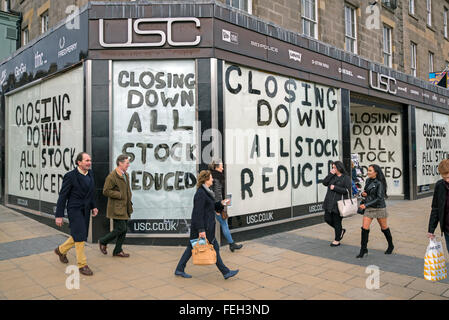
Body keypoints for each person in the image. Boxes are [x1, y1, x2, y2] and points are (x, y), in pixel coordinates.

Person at [174, 170, 239, 279]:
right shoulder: (200, 193)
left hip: (205, 227)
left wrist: (221, 203)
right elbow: (197, 213)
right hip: (204, 228)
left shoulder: (206, 192)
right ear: (205, 179)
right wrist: (201, 230)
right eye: (211, 178)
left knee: (192, 247)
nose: (212, 179)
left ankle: (179, 269)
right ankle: (225, 272)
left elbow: (211, 206)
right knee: (214, 248)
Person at [54, 152, 98, 276]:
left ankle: (60, 250)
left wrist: (93, 206)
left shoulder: (90, 173)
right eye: (86, 160)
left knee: (79, 234)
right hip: (74, 209)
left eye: (90, 160)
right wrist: (59, 215)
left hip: (86, 209)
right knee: (80, 237)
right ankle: (82, 264)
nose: (89, 162)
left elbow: (91, 193)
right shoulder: (70, 176)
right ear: (79, 162)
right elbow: (62, 196)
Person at [98, 154, 133, 258]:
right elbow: (106, 191)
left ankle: (118, 250)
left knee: (124, 229)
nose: (128, 165)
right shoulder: (112, 176)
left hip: (125, 206)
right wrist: (120, 195)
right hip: (117, 208)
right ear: (120, 163)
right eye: (127, 163)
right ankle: (103, 241)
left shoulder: (125, 174)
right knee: (121, 228)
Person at [356, 164, 394, 258]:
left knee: (384, 227)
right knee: (364, 228)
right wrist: (364, 194)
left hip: (379, 207)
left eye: (370, 171)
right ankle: (363, 249)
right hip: (369, 207)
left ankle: (391, 245)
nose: (368, 172)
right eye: (368, 170)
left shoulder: (380, 183)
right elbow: (368, 192)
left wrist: (365, 205)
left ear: (376, 173)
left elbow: (379, 198)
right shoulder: (368, 180)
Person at [209, 160, 242, 252]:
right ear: (216, 167)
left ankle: (230, 244)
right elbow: (217, 194)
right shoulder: (217, 177)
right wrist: (218, 207)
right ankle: (231, 244)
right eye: (221, 166)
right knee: (224, 224)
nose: (222, 168)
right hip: (216, 205)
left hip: (213, 205)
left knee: (216, 224)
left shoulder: (212, 176)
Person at [322, 161, 352, 247]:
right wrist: (330, 174)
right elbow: (324, 183)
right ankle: (340, 231)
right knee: (327, 219)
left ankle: (337, 239)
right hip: (329, 201)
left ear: (339, 168)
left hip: (339, 203)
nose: (333, 169)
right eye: (332, 167)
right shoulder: (332, 176)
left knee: (337, 221)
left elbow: (347, 190)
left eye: (334, 167)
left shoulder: (346, 178)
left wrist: (335, 188)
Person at [427, 159, 449, 251]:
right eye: (444, 178)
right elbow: (435, 208)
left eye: (448, 177)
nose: (447, 180)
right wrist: (431, 229)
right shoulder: (439, 186)